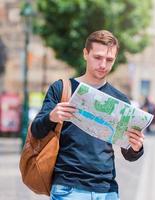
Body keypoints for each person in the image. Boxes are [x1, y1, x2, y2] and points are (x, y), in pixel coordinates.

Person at [31, 30, 145, 200]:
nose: (103, 65)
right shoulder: (61, 89)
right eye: (98, 57)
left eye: (109, 60)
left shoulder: (120, 100)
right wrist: (52, 117)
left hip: (107, 190)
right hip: (68, 188)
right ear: (85, 53)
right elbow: (36, 131)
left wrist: (136, 147)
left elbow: (128, 154)